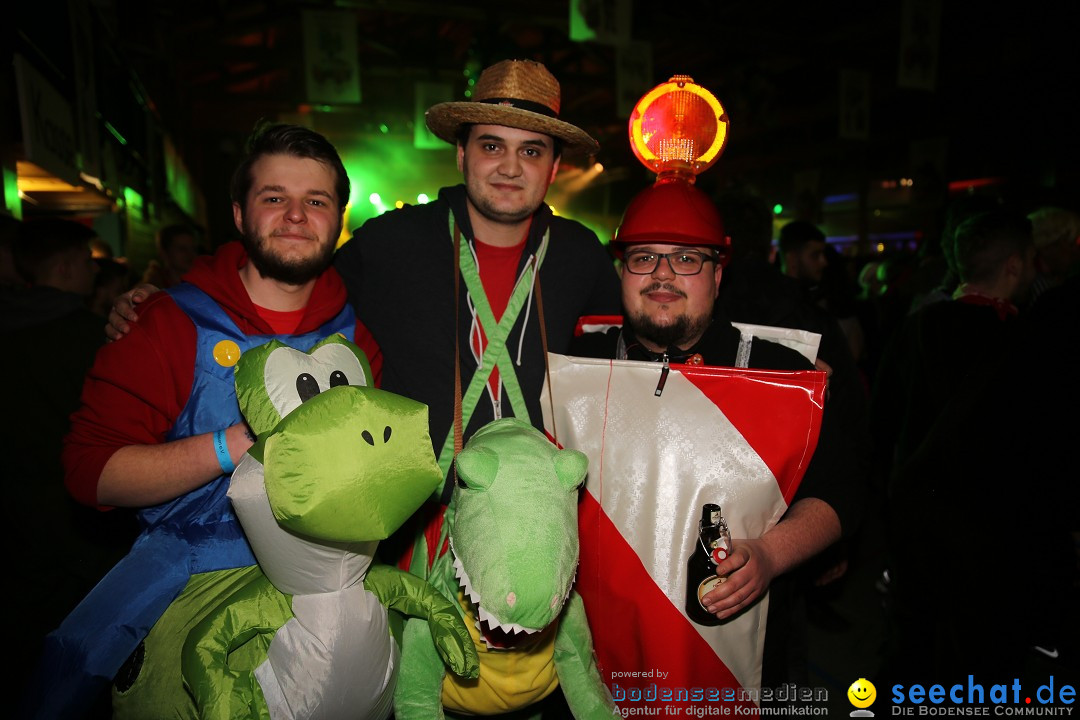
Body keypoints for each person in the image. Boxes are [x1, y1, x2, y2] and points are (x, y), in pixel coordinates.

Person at [24, 122, 358, 718]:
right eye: (274, 197)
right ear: (239, 214)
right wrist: (239, 441)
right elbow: (92, 473)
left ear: (338, 219)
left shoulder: (360, 332)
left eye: (316, 201)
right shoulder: (168, 323)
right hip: (190, 594)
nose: (295, 215)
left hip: (328, 601)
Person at [570, 180, 864, 688]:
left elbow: (840, 492)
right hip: (596, 663)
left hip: (736, 665)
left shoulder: (779, 373)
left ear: (718, 273)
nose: (663, 274)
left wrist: (771, 554)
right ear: (622, 271)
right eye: (644, 258)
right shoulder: (576, 371)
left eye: (686, 259)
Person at [870, 208, 1039, 681]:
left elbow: (881, 423)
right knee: (982, 653)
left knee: (915, 641)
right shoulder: (1028, 341)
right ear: (1013, 265)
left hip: (918, 517)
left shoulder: (919, 326)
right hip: (994, 526)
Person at [1, 219, 138, 697]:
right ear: (63, 267)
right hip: (77, 520)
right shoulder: (87, 337)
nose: (92, 271)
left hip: (14, 519)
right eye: (85, 261)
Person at [1026, 205, 1080, 307]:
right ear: (1048, 245)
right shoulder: (1032, 288)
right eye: (1070, 243)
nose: (1076, 251)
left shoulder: (1056, 280)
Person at [777, 219, 829, 295]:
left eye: (823, 254)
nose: (824, 262)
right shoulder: (777, 299)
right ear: (792, 259)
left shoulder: (814, 294)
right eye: (815, 255)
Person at [141, 222, 200, 288]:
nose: (190, 254)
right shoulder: (152, 289)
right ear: (164, 253)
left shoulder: (202, 284)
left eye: (193, 249)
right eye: (182, 249)